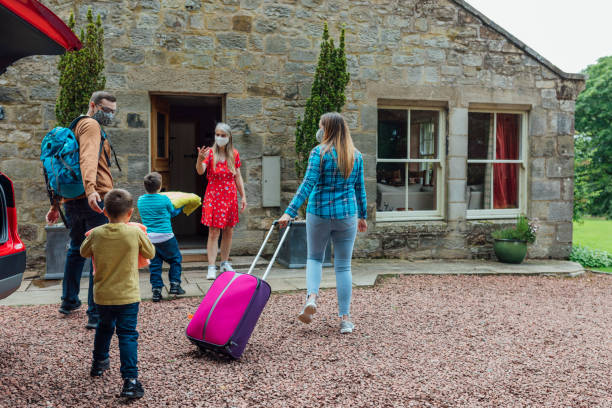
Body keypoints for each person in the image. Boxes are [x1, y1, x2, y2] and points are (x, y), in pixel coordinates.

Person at [278, 112, 367, 334]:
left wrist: (289, 212)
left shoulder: (319, 153)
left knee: (314, 258)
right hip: (347, 215)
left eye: (321, 126)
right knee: (343, 265)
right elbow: (360, 190)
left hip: (319, 213)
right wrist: (362, 216)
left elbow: (307, 184)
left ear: (326, 129)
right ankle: (345, 319)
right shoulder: (356, 156)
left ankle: (312, 298)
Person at [46, 91, 117, 329]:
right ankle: (95, 315)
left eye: (113, 111)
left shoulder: (75, 126)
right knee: (100, 255)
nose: (110, 115)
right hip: (93, 199)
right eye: (106, 109)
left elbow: (62, 166)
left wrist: (55, 203)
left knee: (76, 249)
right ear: (93, 105)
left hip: (72, 200)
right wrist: (92, 191)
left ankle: (69, 301)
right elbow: (87, 159)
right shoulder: (91, 126)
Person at [80, 189, 155, 400]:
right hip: (128, 296)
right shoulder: (135, 232)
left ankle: (98, 363)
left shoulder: (96, 234)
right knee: (127, 334)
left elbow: (83, 252)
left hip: (103, 295)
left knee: (104, 328)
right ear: (130, 213)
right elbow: (150, 253)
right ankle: (130, 381)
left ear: (105, 212)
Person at [195, 123, 247, 280]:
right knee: (213, 232)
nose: (220, 138)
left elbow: (237, 176)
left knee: (229, 230)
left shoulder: (234, 154)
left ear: (229, 137)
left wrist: (243, 195)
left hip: (230, 196)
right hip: (214, 195)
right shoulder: (210, 153)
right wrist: (199, 159)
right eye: (217, 134)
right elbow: (200, 171)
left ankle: (224, 263)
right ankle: (211, 266)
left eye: (223, 135)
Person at [137, 172, 185, 302]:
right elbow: (172, 213)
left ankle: (156, 290)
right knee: (175, 259)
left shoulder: (140, 200)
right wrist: (182, 208)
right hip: (166, 237)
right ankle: (175, 285)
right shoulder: (164, 199)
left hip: (150, 238)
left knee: (155, 264)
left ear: (145, 186)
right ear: (160, 187)